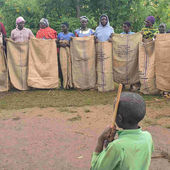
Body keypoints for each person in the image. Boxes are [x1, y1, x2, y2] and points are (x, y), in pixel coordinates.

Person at [91, 92, 153, 170]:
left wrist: (100, 140)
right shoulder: (148, 137)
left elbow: (95, 168)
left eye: (114, 112)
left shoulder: (117, 146)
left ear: (119, 118)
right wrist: (110, 144)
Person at [58, 22, 74, 89]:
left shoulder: (71, 34)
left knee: (69, 67)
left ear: (67, 27)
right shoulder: (59, 34)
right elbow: (56, 43)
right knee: (62, 67)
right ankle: (63, 84)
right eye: (61, 27)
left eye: (64, 27)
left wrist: (67, 45)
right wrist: (61, 44)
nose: (62, 28)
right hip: (62, 52)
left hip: (69, 52)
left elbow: (74, 44)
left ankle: (70, 83)